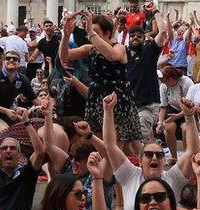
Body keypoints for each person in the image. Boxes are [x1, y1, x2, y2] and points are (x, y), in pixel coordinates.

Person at [59, 10, 142, 148]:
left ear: (108, 33)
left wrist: (91, 32)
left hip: (117, 100)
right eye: (90, 30)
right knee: (99, 146)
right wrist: (66, 35)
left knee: (116, 148)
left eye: (95, 30)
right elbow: (65, 56)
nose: (90, 33)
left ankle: (135, 166)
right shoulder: (90, 49)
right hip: (96, 99)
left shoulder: (119, 48)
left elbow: (111, 55)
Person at [0, 50, 38, 137]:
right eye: (8, 58)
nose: (11, 60)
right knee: (5, 130)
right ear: (4, 62)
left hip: (7, 113)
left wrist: (47, 108)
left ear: (19, 63)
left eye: (15, 59)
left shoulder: (22, 79)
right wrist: (5, 110)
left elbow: (36, 100)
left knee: (26, 131)